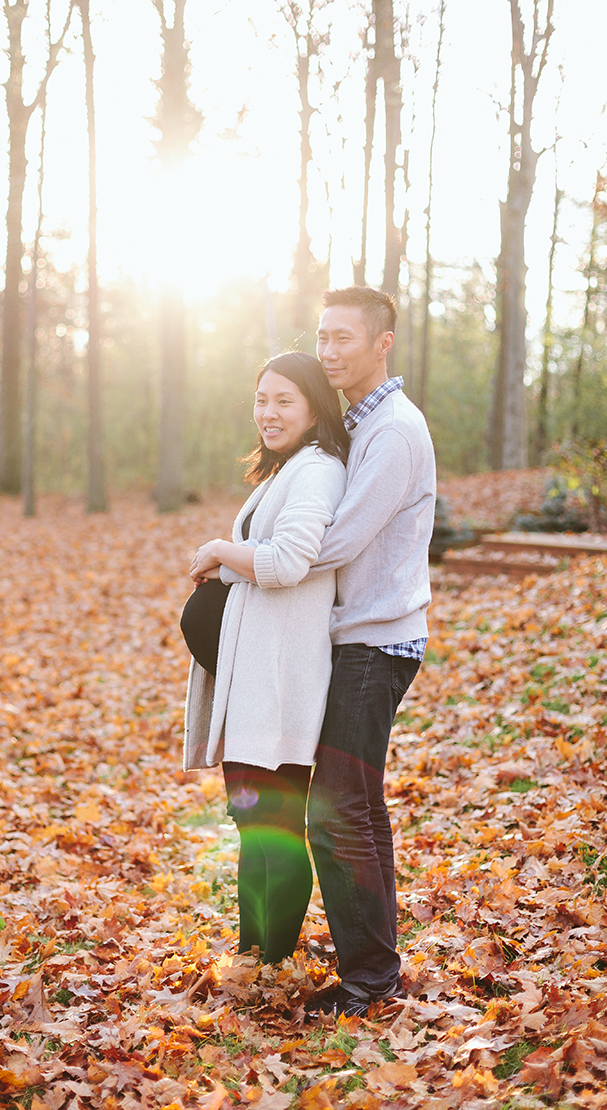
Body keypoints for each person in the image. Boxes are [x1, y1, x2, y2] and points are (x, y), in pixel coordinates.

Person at [182, 351, 349, 965]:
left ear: (313, 407)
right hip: (257, 680)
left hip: (279, 683)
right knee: (254, 822)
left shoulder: (317, 470)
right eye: (262, 400)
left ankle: (272, 956)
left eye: (285, 401)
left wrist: (220, 548)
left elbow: (286, 562)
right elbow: (270, 559)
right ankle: (254, 946)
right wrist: (227, 565)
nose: (269, 413)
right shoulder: (288, 470)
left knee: (274, 827)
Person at [302, 286, 436, 1019]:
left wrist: (250, 558)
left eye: (343, 338)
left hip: (374, 642)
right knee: (359, 808)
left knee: (334, 811)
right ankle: (375, 969)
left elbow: (341, 541)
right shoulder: (363, 424)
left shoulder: (392, 430)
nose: (327, 351)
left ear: (382, 343)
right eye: (322, 336)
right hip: (368, 638)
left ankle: (371, 983)